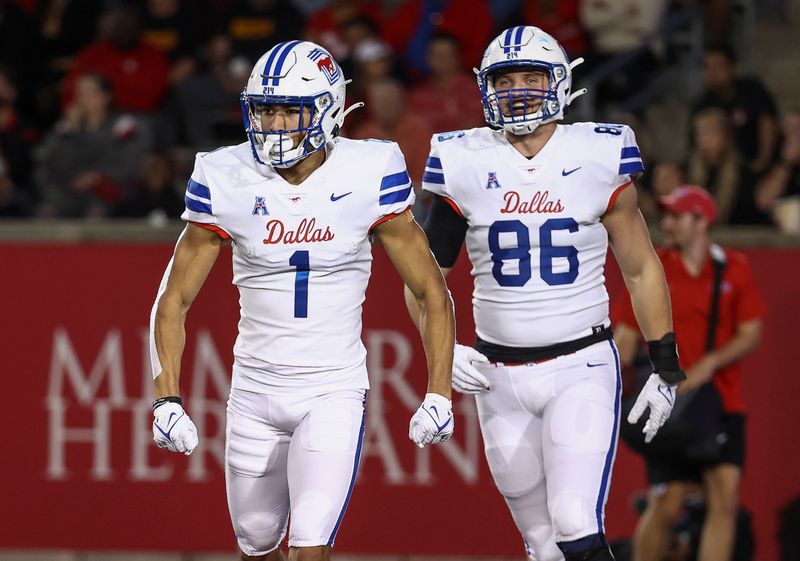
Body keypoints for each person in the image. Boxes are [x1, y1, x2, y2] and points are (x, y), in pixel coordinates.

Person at [149, 41, 456, 561]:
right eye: (264, 109)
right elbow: (173, 299)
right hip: (252, 390)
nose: (273, 124)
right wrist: (165, 398)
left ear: (329, 109)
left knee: (310, 549)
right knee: (257, 542)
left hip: (332, 390)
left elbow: (431, 289)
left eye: (288, 109)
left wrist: (439, 390)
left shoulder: (369, 169)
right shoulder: (226, 175)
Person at [408, 26, 685, 561]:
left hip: (578, 363)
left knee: (574, 520)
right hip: (496, 377)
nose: (517, 90)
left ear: (559, 82)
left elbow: (641, 269)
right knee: (540, 545)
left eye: (530, 77)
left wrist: (664, 365)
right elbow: (424, 281)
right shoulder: (464, 159)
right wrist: (446, 353)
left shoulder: (598, 152)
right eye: (505, 79)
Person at [614, 186, 765, 561]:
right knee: (665, 504)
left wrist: (709, 364)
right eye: (665, 216)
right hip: (670, 409)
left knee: (724, 502)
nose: (666, 224)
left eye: (676, 216)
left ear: (701, 220)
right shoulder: (654, 268)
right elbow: (626, 340)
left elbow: (750, 332)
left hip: (722, 403)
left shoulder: (735, 268)